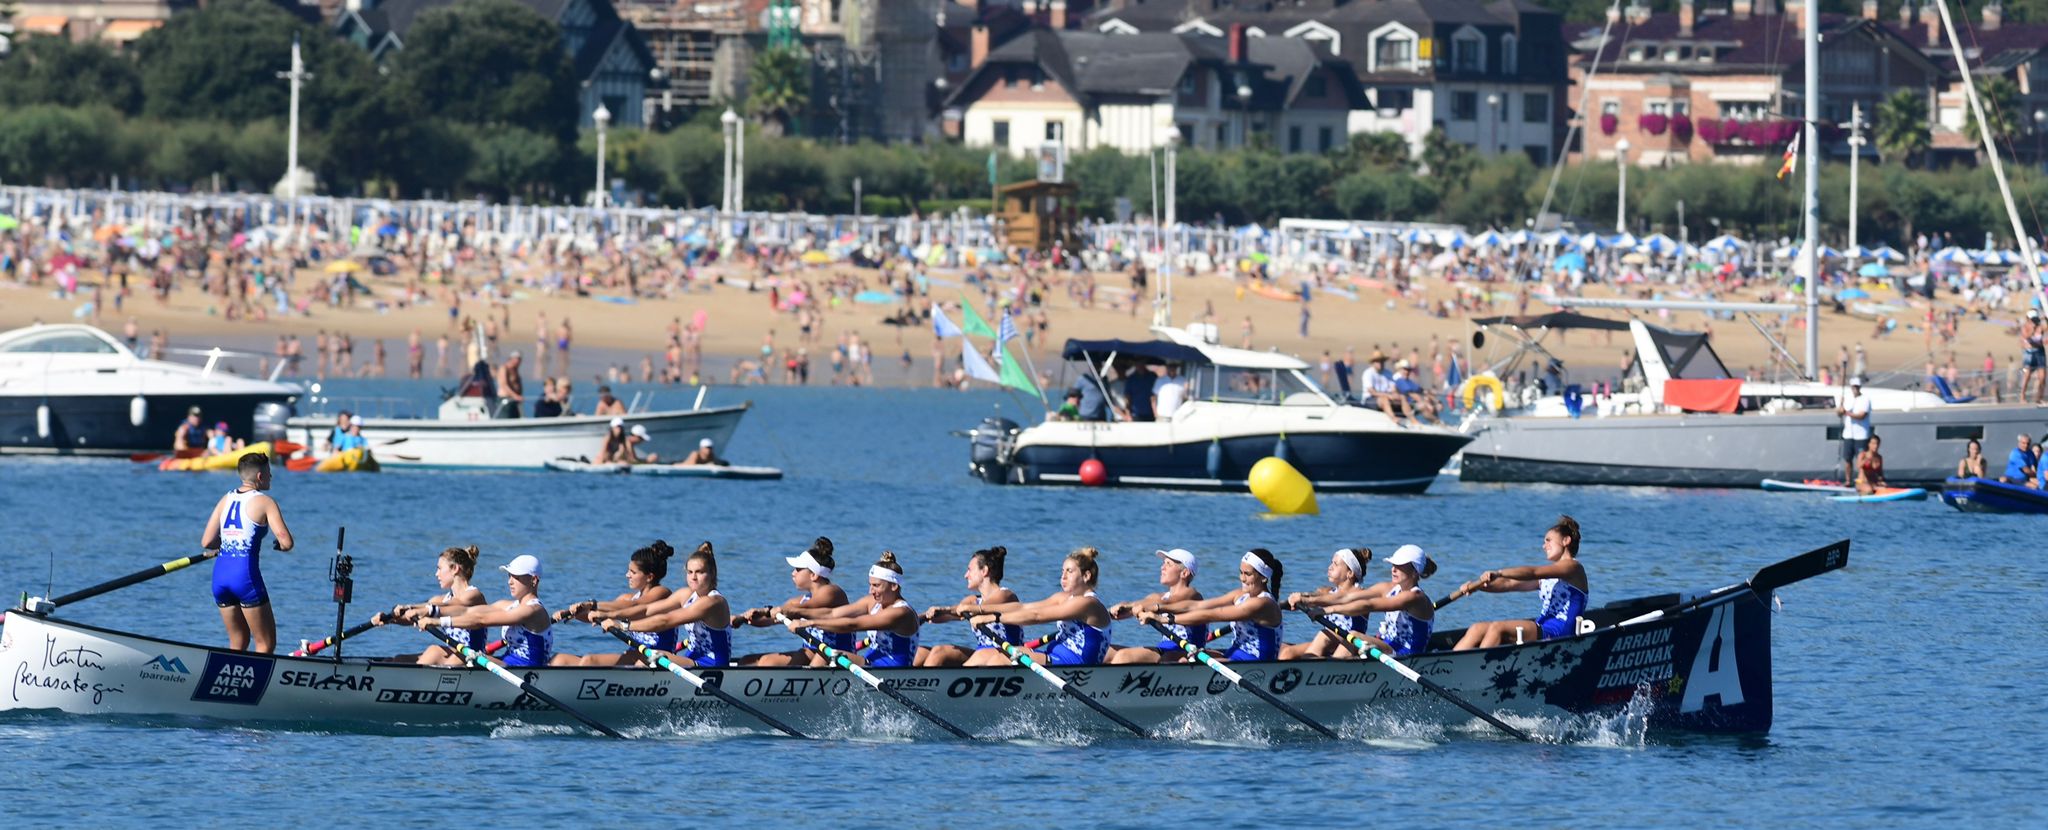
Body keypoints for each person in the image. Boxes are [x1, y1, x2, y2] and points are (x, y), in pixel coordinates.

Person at [200, 453, 295, 652]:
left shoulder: (226, 499)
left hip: (220, 577)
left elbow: (207, 541)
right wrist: (279, 546)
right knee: (265, 644)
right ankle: (259, 682)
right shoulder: (265, 502)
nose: (271, 477)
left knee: (238, 643)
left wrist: (228, 542)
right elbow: (286, 542)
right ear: (260, 476)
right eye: (269, 473)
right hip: (244, 577)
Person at [1449, 516, 1588, 650]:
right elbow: (1508, 584)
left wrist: (1499, 573)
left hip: (1561, 631)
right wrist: (1477, 587)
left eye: (1548, 540)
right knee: (1477, 628)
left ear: (1566, 541)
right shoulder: (1549, 577)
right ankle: (1450, 666)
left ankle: (1479, 668)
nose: (1543, 546)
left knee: (1498, 628)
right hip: (1542, 626)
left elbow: (1533, 572)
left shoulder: (1574, 568)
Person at [961, 548, 1113, 666]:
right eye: (1062, 571)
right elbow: (1024, 608)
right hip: (1055, 658)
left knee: (998, 659)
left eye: (1070, 571)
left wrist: (993, 618)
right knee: (988, 654)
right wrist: (979, 610)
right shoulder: (1063, 598)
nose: (1063, 577)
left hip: (1075, 667)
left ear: (1086, 576)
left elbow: (1036, 616)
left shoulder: (1088, 604)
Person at [595, 542, 730, 667]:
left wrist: (623, 626)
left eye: (700, 572)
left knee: (647, 658)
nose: (693, 577)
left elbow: (666, 620)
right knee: (642, 657)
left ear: (712, 573)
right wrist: (608, 614)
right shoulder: (685, 594)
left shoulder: (713, 602)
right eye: (690, 572)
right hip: (691, 659)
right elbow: (647, 610)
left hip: (712, 665)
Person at [546, 541, 680, 666]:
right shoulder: (626, 598)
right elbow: (598, 615)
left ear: (649, 577)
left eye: (633, 572)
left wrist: (592, 604)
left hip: (656, 659)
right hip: (634, 655)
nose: (627, 575)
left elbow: (636, 606)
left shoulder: (662, 593)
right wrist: (573, 613)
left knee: (589, 661)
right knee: (559, 660)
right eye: (628, 571)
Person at [1137, 549, 1285, 661]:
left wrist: (1165, 619)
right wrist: (1157, 608)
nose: (1242, 578)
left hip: (1256, 663)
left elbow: (1215, 614)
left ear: (1264, 578)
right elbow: (1198, 606)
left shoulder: (1264, 603)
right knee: (1180, 658)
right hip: (1234, 654)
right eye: (1241, 572)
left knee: (1186, 662)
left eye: (1248, 574)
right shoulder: (1239, 595)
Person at [781, 552, 921, 667]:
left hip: (892, 673)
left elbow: (853, 624)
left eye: (876, 585)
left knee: (829, 655)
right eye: (870, 585)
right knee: (825, 653)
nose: (871, 591)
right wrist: (794, 612)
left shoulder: (901, 613)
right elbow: (832, 613)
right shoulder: (871, 602)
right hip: (869, 664)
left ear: (894, 586)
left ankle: (806, 693)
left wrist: (808, 623)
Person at [1294, 545, 1437, 657]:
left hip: (1407, 653)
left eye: (1399, 566)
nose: (1393, 570)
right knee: (1326, 635)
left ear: (1415, 571)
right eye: (1393, 565)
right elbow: (1345, 597)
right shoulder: (1387, 587)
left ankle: (1329, 675)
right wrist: (1307, 599)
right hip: (1386, 644)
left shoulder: (1415, 597)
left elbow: (1370, 605)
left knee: (1354, 635)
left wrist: (1327, 610)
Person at [415, 555, 553, 667]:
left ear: (534, 580)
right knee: (437, 653)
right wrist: (428, 611)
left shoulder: (533, 610)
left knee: (466, 661)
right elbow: (468, 612)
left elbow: (481, 620)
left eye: (516, 577)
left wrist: (437, 622)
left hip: (529, 671)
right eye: (509, 576)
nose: (510, 582)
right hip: (508, 662)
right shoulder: (507, 605)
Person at [732, 538, 851, 667]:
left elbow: (801, 609)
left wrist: (766, 611)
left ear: (814, 575)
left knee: (813, 658)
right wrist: (744, 618)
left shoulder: (832, 592)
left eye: (798, 569)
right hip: (813, 651)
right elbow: (772, 619)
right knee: (752, 661)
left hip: (838, 654)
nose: (793, 573)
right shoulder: (800, 600)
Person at [379, 545, 489, 663]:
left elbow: (456, 604)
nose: (436, 574)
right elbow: (417, 615)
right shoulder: (440, 600)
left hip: (473, 656)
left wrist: (410, 607)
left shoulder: (474, 595)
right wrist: (388, 619)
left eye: (439, 568)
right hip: (453, 654)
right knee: (399, 659)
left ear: (455, 569)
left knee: (434, 651)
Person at [918, 546, 1021, 666]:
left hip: (1007, 656)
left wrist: (945, 609)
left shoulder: (1005, 595)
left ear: (984, 571)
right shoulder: (973, 601)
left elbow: (981, 608)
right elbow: (950, 615)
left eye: (970, 570)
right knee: (934, 652)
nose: (966, 575)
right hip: (982, 653)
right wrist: (923, 616)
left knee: (949, 653)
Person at [1105, 548, 1207, 664]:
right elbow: (1139, 604)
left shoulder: (1193, 594)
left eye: (1168, 564)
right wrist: (1116, 611)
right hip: (1165, 650)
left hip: (1187, 652)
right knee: (1106, 651)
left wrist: (1132, 606)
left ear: (1184, 573)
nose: (1162, 567)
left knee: (1124, 656)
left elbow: (1169, 603)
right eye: (1163, 563)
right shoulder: (1159, 597)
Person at [1277, 548, 1375, 659]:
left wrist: (1305, 599)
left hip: (1350, 646)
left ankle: (1310, 670)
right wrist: (1286, 603)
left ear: (1350, 573)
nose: (1330, 567)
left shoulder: (1360, 594)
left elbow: (1338, 599)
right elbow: (1314, 597)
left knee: (1323, 635)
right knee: (1286, 651)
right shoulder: (1327, 592)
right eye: (1331, 562)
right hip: (1329, 644)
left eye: (1335, 564)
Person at [1836, 377, 1872, 484]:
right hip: (1848, 434)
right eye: (1853, 387)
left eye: (1857, 386)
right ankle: (1848, 481)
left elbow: (1861, 415)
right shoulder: (1847, 398)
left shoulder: (1865, 399)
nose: (1855, 389)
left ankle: (1862, 480)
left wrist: (1846, 413)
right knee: (1848, 459)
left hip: (1861, 435)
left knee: (1861, 460)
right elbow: (1839, 414)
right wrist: (1840, 407)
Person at [2022, 308, 2045, 404]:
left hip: (2039, 352)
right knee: (2027, 376)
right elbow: (2026, 337)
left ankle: (2039, 398)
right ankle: (2022, 396)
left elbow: (2042, 338)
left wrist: (2044, 319)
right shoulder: (2026, 327)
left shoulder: (2041, 327)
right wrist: (2033, 329)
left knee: (2042, 377)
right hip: (2030, 353)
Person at [495, 351, 525, 419]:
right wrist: (515, 396)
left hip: (514, 401)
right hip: (505, 400)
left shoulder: (515, 370)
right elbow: (503, 385)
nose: (519, 362)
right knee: (506, 419)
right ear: (512, 359)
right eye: (518, 360)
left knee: (516, 419)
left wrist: (519, 396)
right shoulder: (504, 368)